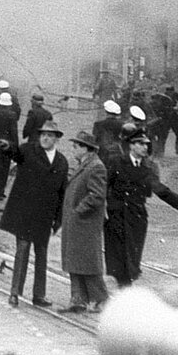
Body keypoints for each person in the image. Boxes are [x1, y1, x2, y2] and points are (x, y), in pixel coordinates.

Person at [0, 121, 69, 308]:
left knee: (41, 254)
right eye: (43, 134)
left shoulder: (62, 162)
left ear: (56, 139)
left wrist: (58, 220)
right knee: (22, 251)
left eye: (50, 135)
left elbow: (62, 193)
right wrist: (8, 147)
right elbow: (16, 153)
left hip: (45, 217)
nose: (45, 138)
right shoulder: (28, 150)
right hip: (25, 213)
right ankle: (14, 293)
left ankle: (39, 295)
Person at [104, 128, 178, 288]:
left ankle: (127, 282)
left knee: (133, 251)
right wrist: (104, 207)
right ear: (131, 146)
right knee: (118, 252)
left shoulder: (147, 168)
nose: (145, 147)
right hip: (117, 214)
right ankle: (122, 283)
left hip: (136, 215)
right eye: (140, 144)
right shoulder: (117, 162)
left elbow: (158, 187)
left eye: (146, 144)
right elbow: (105, 184)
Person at [61, 130, 109, 313]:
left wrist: (78, 211)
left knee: (88, 264)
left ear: (86, 148)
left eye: (76, 146)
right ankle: (78, 299)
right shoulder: (85, 164)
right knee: (75, 262)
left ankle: (101, 299)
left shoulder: (96, 166)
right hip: (77, 223)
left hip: (85, 223)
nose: (73, 149)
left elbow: (97, 195)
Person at [149, 84, 178, 158]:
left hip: (170, 117)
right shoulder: (162, 97)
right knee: (165, 135)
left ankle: (176, 150)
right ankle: (162, 152)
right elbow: (159, 107)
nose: (170, 93)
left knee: (177, 133)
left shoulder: (173, 95)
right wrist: (177, 108)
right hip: (167, 118)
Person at [92, 100, 128, 172]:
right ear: (117, 113)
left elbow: (95, 140)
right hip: (118, 153)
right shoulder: (123, 125)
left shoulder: (98, 124)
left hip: (101, 154)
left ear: (106, 111)